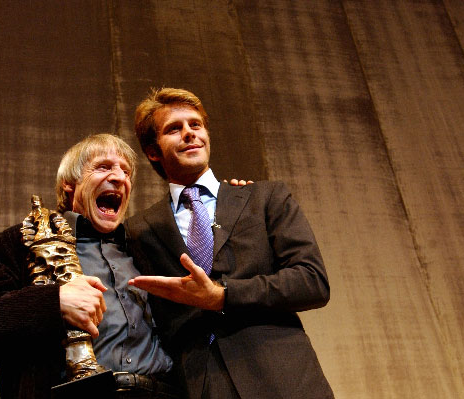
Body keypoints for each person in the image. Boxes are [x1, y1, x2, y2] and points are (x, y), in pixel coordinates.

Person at [126, 88, 335, 398]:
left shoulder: (264, 197)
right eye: (174, 129)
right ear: (153, 151)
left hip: (284, 377)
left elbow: (312, 281)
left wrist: (222, 296)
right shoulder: (138, 230)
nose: (189, 133)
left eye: (196, 125)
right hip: (202, 385)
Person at [0, 134, 177, 399]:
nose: (119, 177)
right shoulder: (22, 242)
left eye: (126, 172)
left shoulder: (144, 247)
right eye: (103, 167)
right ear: (69, 183)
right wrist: (54, 302)